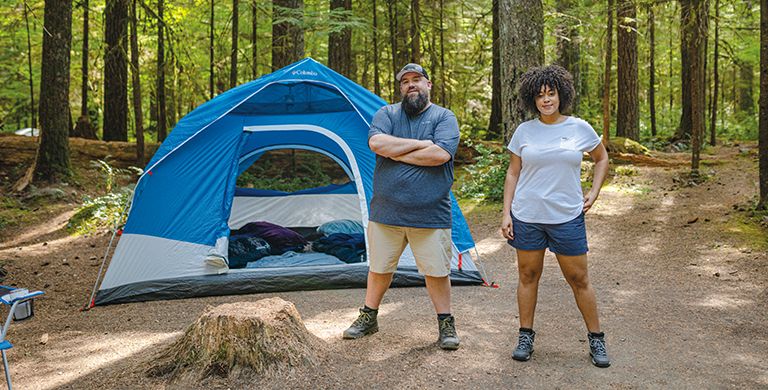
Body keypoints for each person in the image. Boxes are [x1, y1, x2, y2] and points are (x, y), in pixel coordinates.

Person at [342, 63, 462, 350]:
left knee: (436, 272)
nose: (411, 85)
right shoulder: (386, 114)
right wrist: (420, 145)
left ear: (429, 85)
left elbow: (440, 154)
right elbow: (377, 144)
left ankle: (445, 323)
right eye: (405, 81)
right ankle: (369, 317)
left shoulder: (444, 117)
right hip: (386, 213)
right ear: (400, 88)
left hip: (431, 213)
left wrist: (399, 151)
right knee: (380, 269)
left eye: (417, 79)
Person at [500, 65, 611, 367]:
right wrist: (506, 212)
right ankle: (525, 336)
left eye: (551, 93)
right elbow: (513, 172)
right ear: (532, 100)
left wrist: (594, 191)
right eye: (539, 96)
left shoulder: (579, 127)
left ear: (561, 94)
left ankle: (596, 340)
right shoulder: (524, 131)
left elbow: (601, 158)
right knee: (527, 276)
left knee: (579, 278)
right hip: (528, 215)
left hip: (566, 216)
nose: (546, 100)